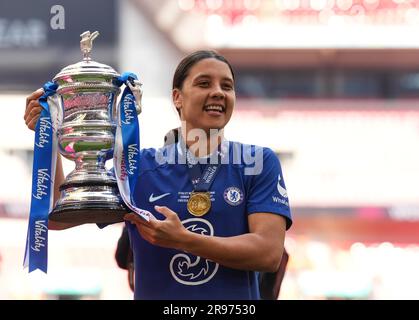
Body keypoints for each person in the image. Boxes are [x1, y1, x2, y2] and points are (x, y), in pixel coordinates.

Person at [24, 50, 292, 300]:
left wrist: (183, 239)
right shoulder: (135, 166)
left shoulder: (258, 162)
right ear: (177, 97)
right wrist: (48, 136)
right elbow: (56, 217)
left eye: (227, 86)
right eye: (204, 83)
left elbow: (268, 253)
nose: (218, 93)